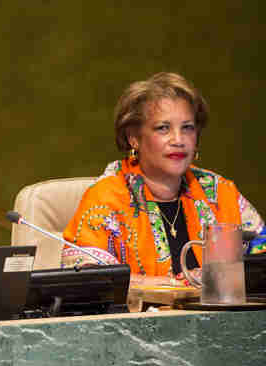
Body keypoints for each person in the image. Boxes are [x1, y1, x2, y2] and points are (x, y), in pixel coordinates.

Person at [62, 72, 266, 286]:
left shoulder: (217, 191)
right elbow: (84, 280)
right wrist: (164, 286)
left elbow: (261, 258)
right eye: (163, 128)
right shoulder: (105, 199)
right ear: (134, 137)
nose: (178, 140)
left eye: (187, 128)